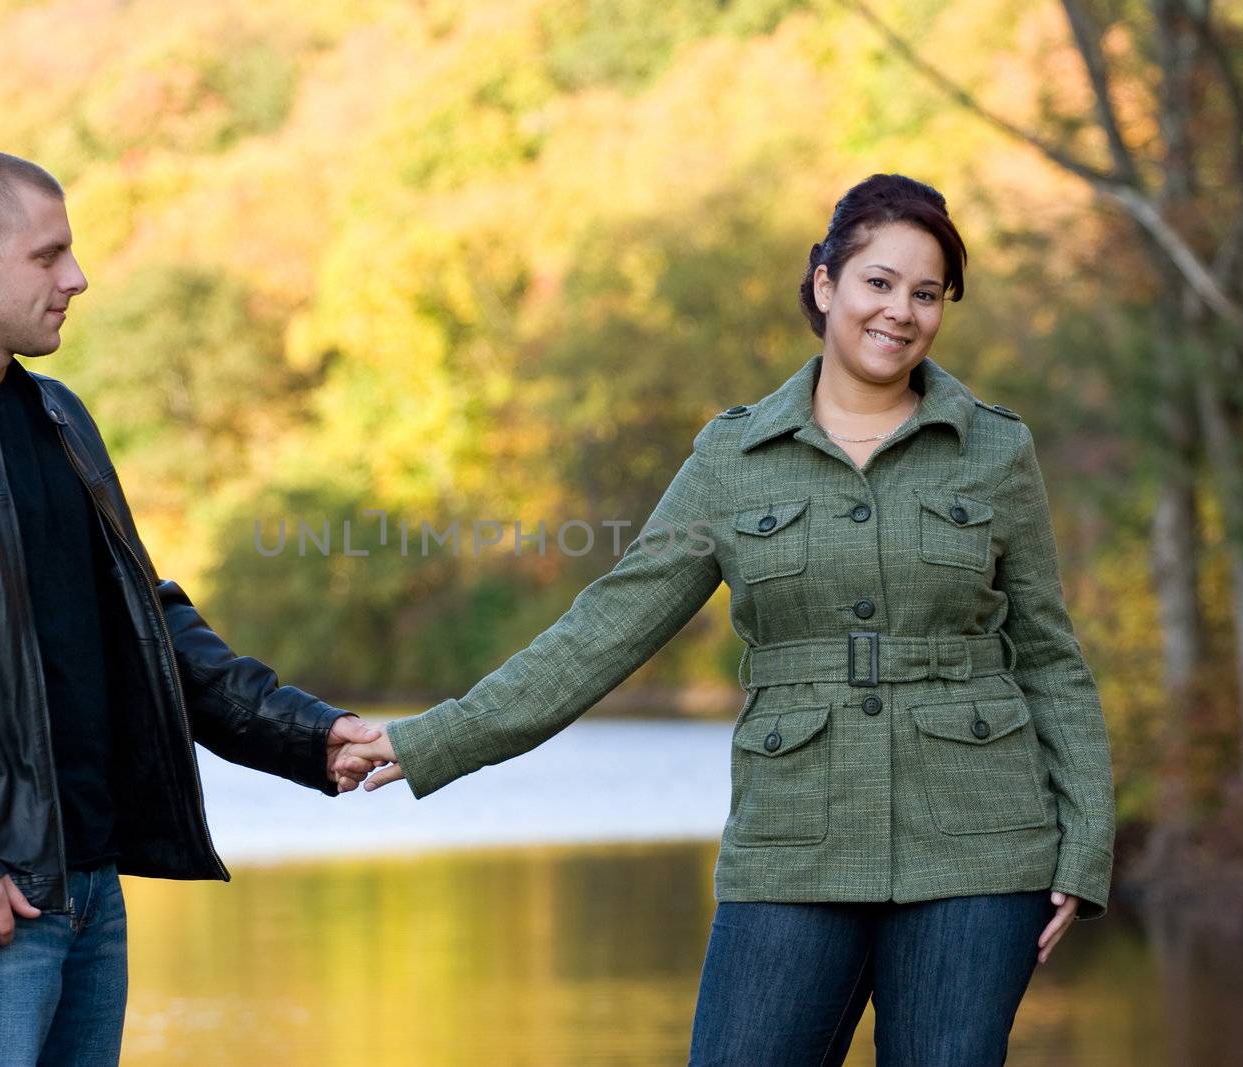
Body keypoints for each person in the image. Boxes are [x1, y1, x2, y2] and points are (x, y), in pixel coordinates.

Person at [346, 173, 1115, 1066]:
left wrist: (1083, 847)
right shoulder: (733, 454)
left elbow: (1050, 658)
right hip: (792, 841)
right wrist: (437, 738)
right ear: (825, 283)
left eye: (927, 293)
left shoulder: (994, 446)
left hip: (980, 847)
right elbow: (608, 627)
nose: (899, 311)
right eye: (878, 281)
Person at [0, 147, 381, 1067]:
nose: (78, 277)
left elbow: (151, 625)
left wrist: (307, 733)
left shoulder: (61, 420)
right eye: (49, 255)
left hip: (88, 886)